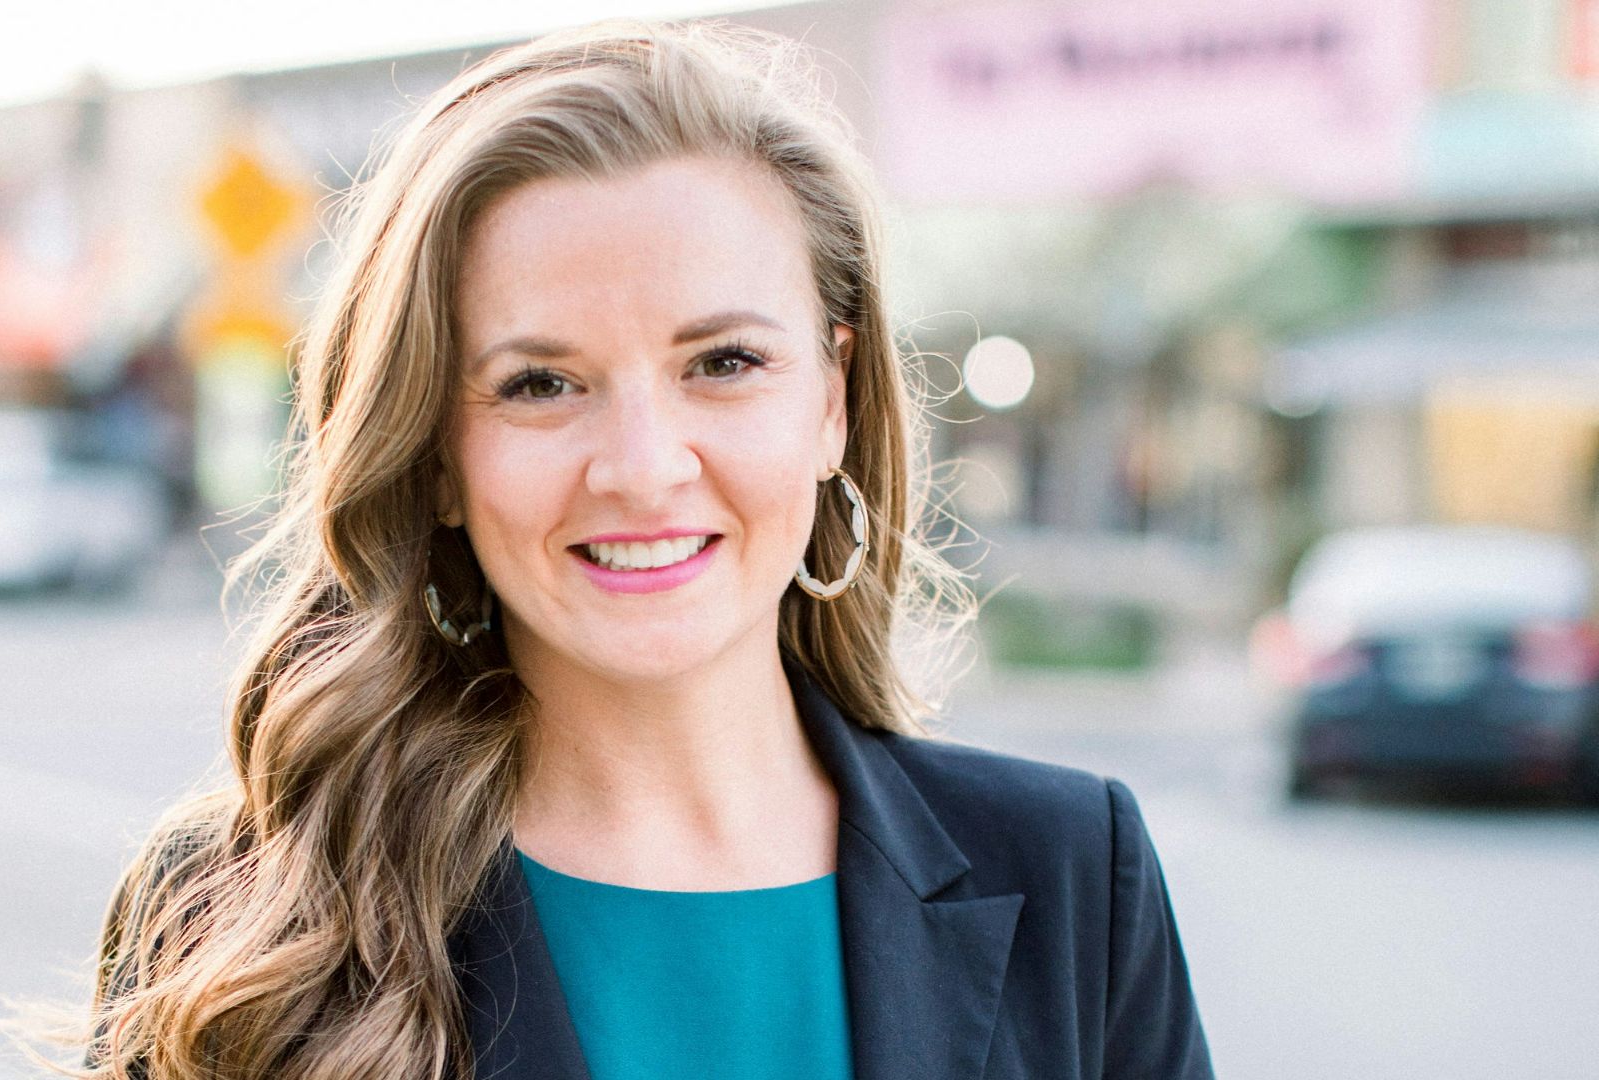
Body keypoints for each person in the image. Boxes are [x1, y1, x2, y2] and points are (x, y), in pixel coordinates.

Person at [69, 18, 1214, 1080]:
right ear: (435, 456)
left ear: (833, 400)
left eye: (723, 363)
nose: (642, 466)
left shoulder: (1074, 873)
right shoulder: (236, 920)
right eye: (540, 383)